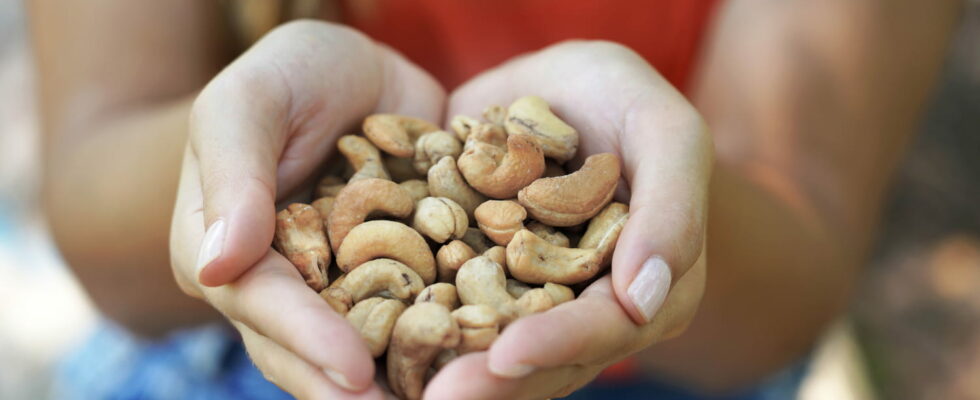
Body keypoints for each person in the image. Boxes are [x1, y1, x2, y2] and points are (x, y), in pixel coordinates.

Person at [30, 1, 961, 399]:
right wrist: (245, 161)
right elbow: (87, 197)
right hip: (229, 352)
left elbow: (805, 251)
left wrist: (672, 216)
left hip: (677, 368)